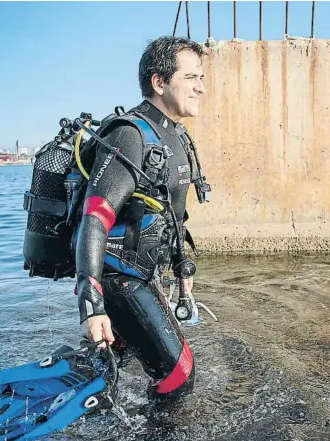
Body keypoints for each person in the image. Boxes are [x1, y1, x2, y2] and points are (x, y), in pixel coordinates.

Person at [73, 35, 208, 402]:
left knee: (111, 366)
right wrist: (91, 304)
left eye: (202, 77)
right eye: (191, 77)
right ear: (159, 81)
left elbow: (172, 213)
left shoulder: (176, 136)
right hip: (118, 280)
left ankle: (81, 404)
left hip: (144, 274)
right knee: (178, 374)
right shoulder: (130, 135)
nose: (201, 87)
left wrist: (182, 268)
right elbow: (95, 219)